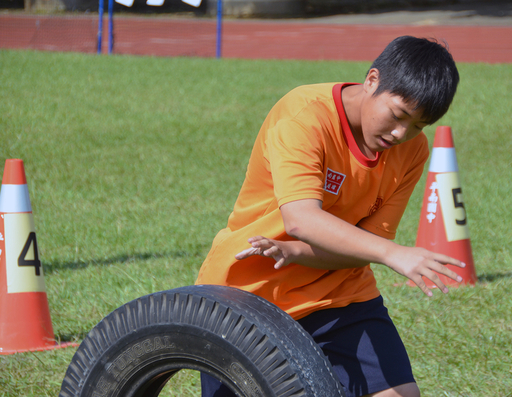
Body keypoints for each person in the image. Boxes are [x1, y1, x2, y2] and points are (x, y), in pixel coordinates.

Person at [197, 35, 463, 397]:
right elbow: (301, 220)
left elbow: (367, 244)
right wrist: (394, 253)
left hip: (341, 293)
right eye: (398, 115)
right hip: (250, 295)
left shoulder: (412, 151)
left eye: (418, 125)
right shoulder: (304, 115)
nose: (402, 133)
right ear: (372, 81)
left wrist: (299, 254)